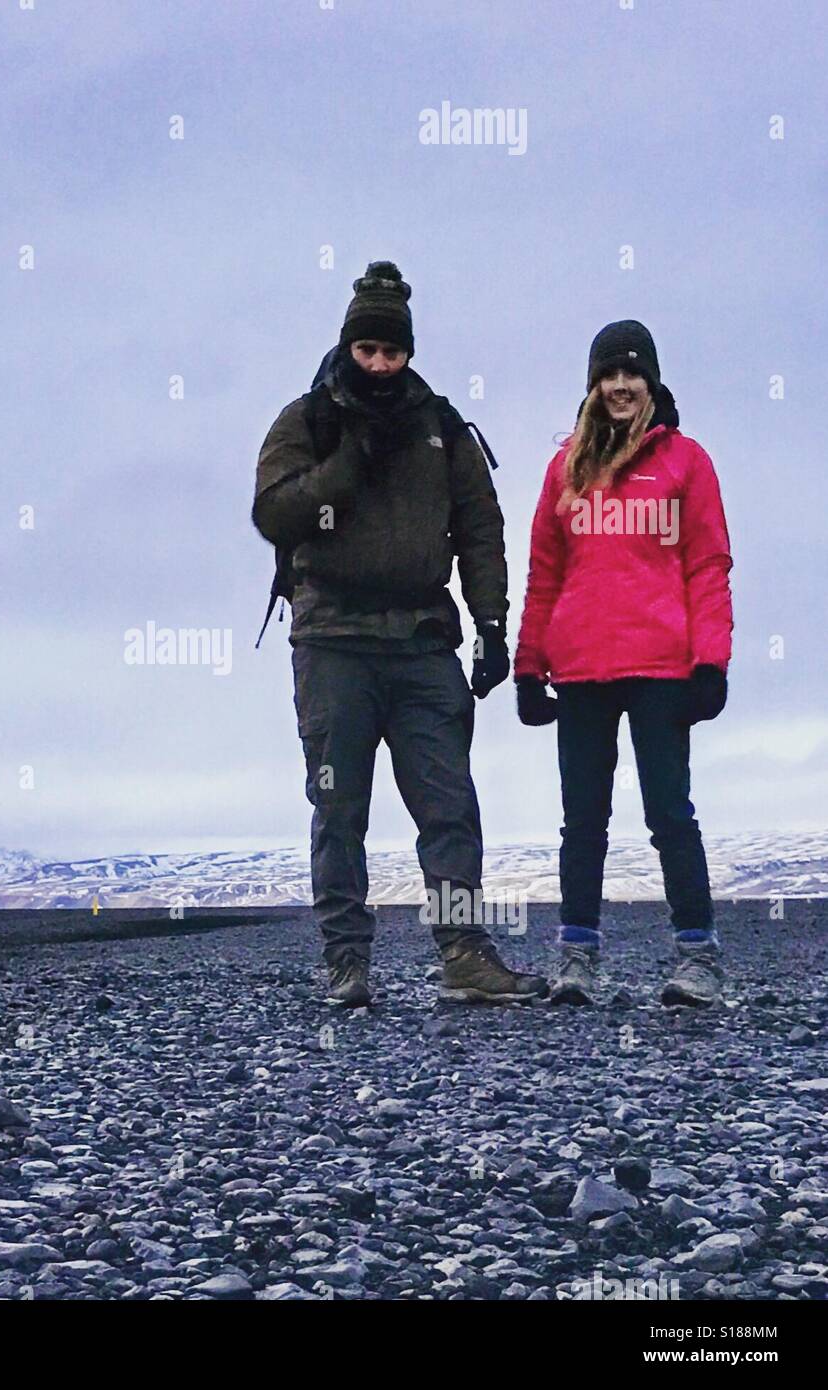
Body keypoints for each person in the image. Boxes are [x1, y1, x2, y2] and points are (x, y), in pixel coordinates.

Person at [252, 260, 547, 1008]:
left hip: (422, 641)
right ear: (349, 346)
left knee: (449, 806)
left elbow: (481, 528)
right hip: (332, 641)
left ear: (409, 351)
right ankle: (347, 963)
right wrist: (344, 466)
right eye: (369, 351)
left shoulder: (441, 426)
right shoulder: (308, 420)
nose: (381, 364)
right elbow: (271, 513)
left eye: (393, 351)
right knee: (339, 806)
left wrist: (490, 625)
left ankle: (464, 955)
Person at [513, 320, 734, 1007]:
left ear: (651, 384)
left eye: (631, 375)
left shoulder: (685, 462)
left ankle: (696, 958)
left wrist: (712, 662)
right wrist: (528, 665)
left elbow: (707, 564)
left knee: (670, 812)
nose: (619, 387)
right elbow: (544, 573)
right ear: (593, 385)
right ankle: (577, 958)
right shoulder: (565, 469)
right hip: (579, 671)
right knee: (582, 819)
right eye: (608, 376)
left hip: (663, 669)